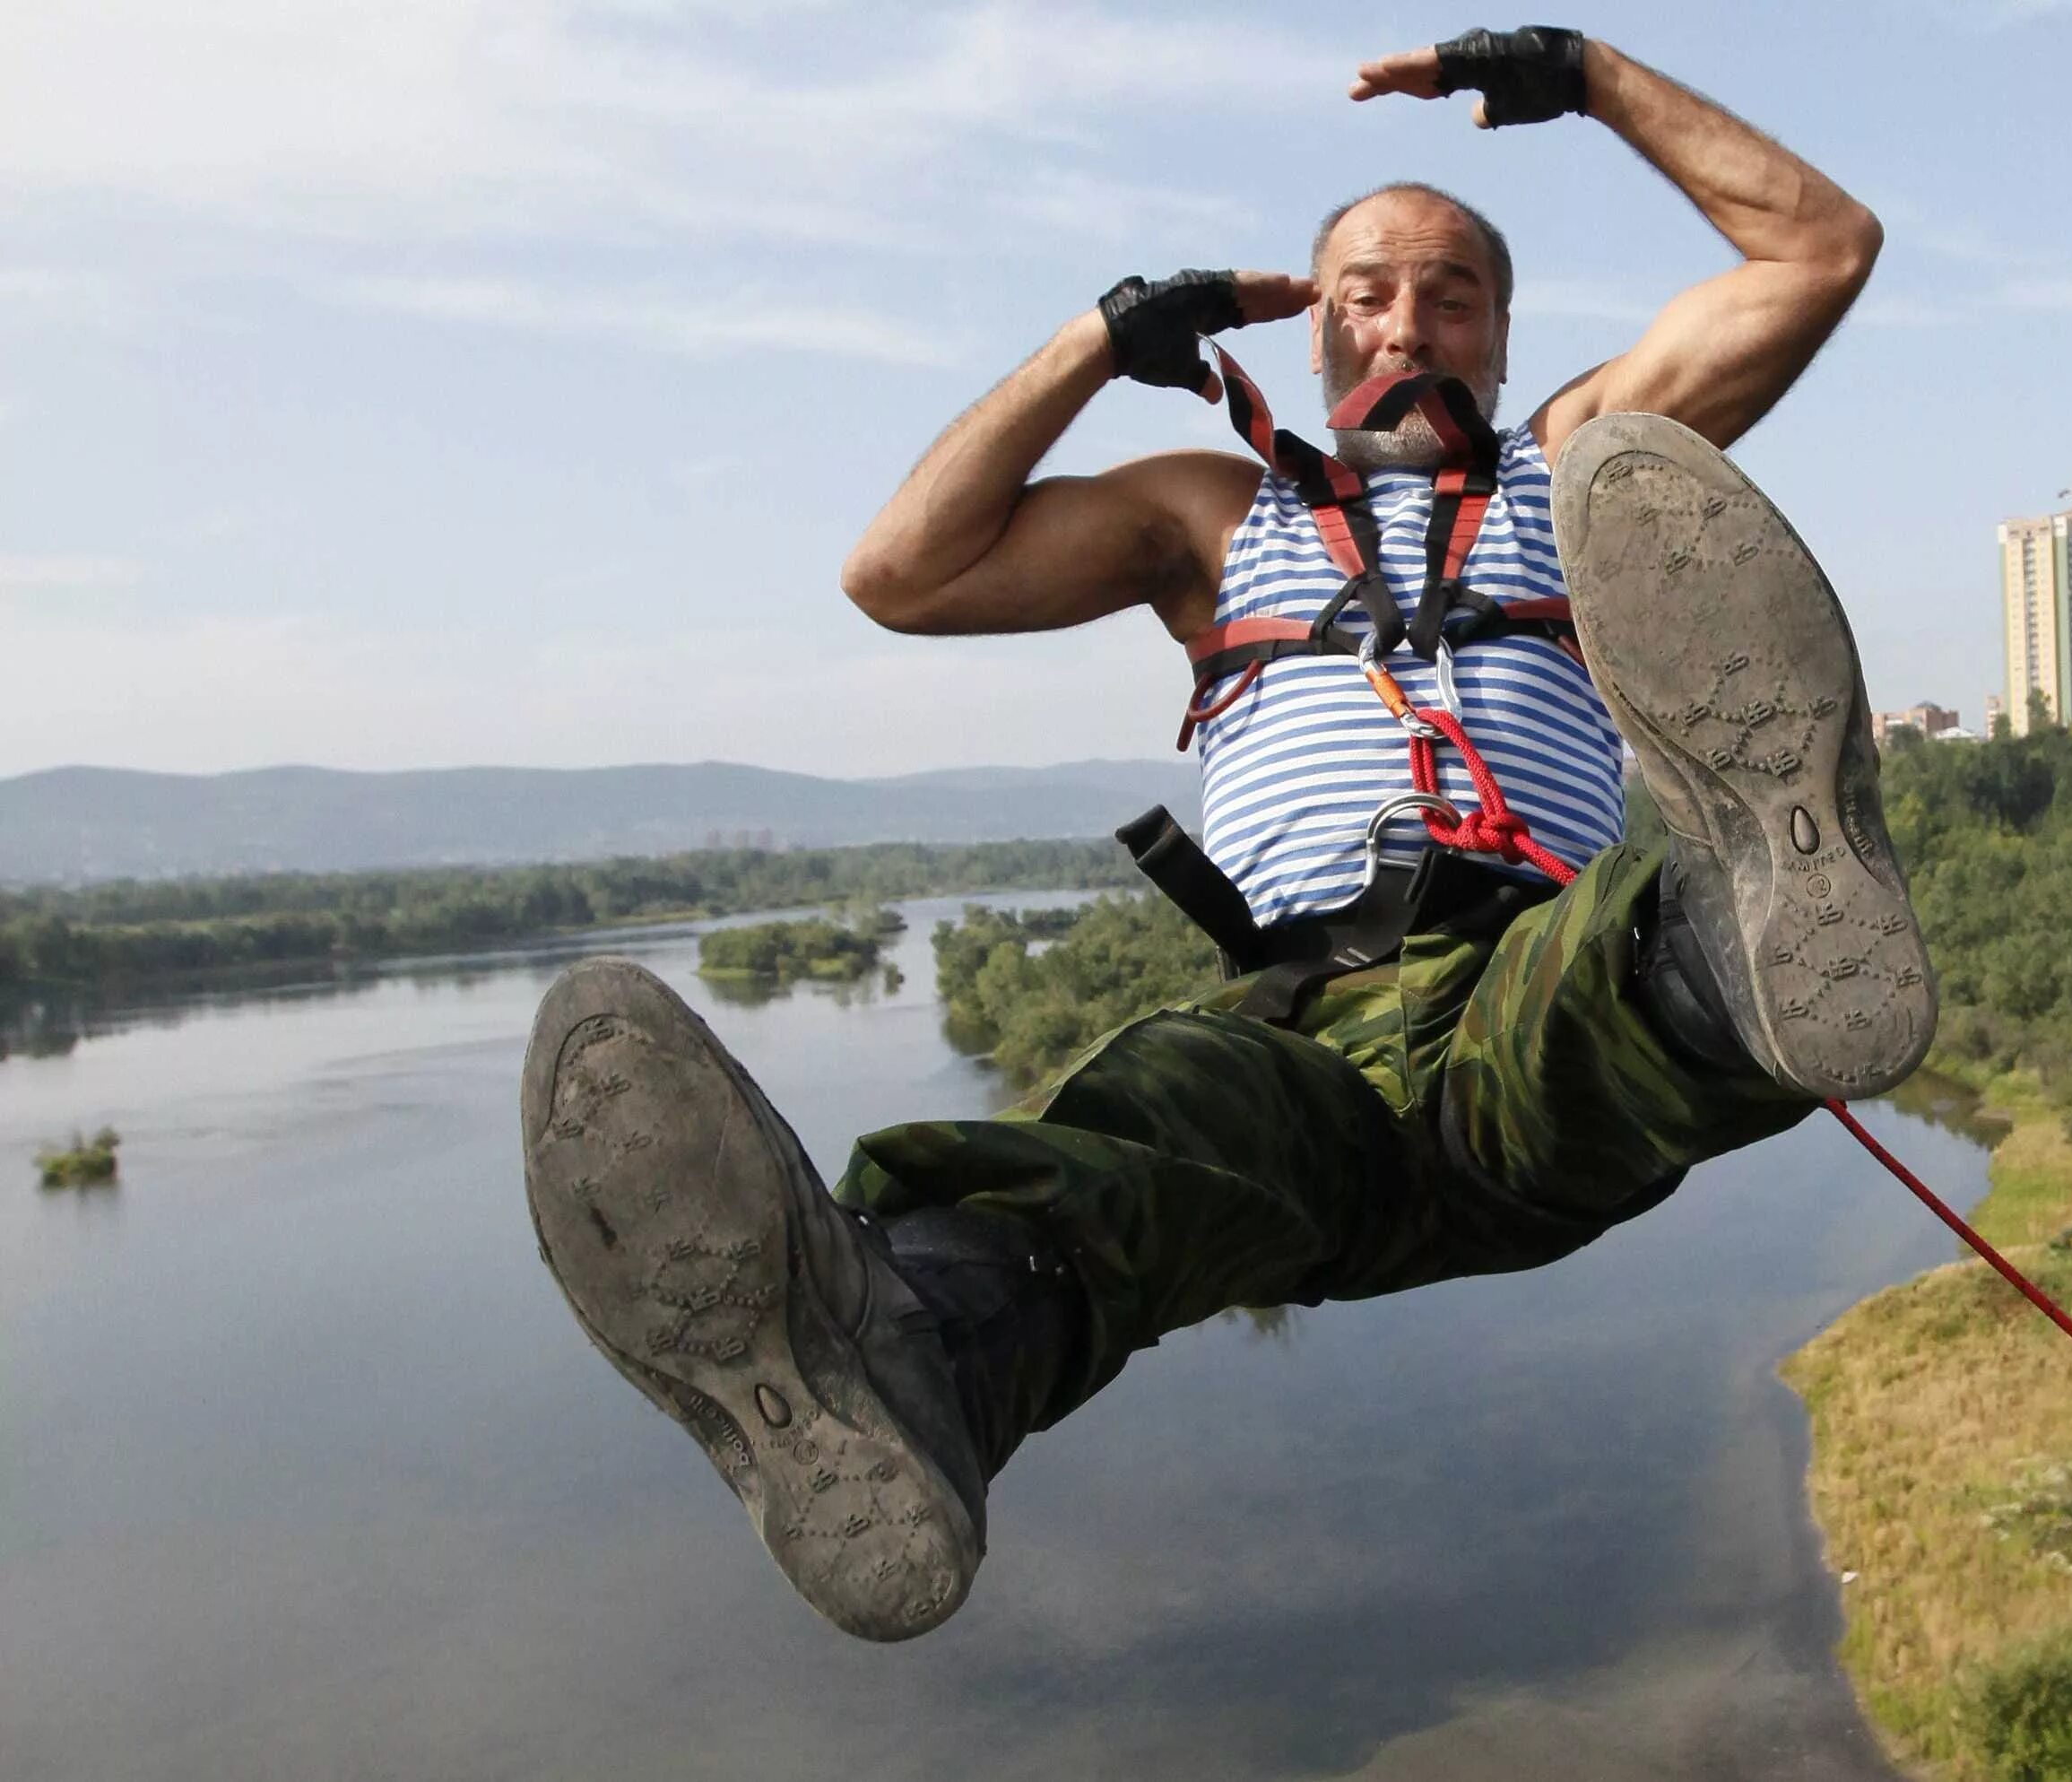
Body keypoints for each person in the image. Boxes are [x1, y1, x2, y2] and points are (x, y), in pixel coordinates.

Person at [519, 28, 1935, 1645]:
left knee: (1609, 965)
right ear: (1315, 329)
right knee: (1146, 1119)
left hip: (1511, 974)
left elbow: (1818, 248)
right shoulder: (1212, 512)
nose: (1407, 318)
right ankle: (906, 1364)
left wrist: (1588, 76)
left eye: (1451, 292)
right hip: (1302, 1046)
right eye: (1367, 291)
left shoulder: (1569, 465)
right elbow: (900, 574)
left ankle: (1756, 916)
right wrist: (1093, 344)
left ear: (1497, 332)